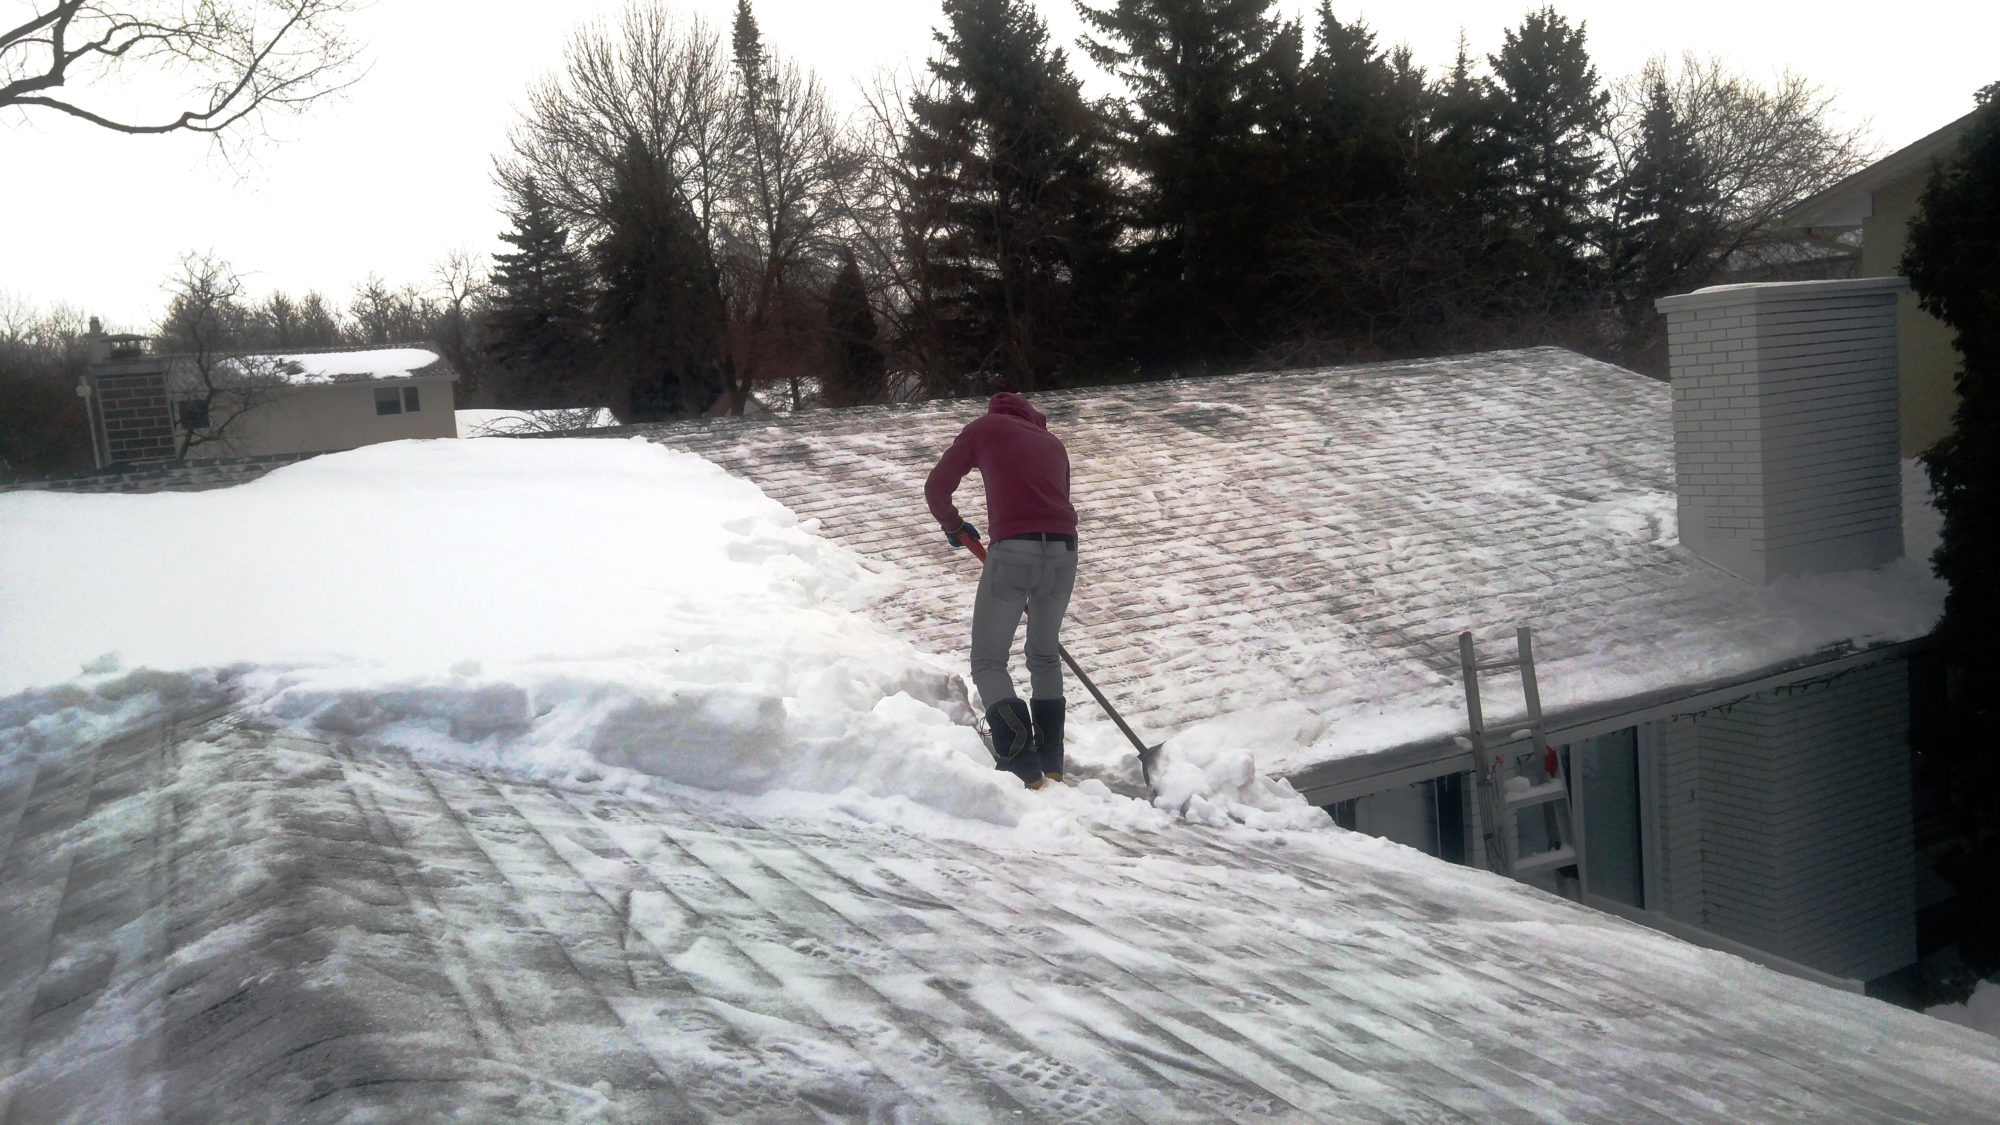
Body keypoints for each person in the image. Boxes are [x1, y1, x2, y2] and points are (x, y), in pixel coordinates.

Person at [925, 391, 1077, 789]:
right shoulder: (1053, 443)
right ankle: (1051, 761)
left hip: (1012, 551)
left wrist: (953, 524)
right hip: (1064, 552)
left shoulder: (986, 427)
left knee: (988, 660)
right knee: (1044, 653)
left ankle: (1019, 761)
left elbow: (936, 488)